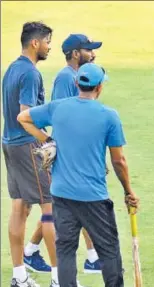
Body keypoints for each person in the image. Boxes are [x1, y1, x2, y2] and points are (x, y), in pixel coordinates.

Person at [17, 63, 139, 287]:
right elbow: (118, 161)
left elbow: (23, 118)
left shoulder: (58, 108)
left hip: (62, 195)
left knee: (65, 250)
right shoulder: (109, 116)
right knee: (109, 250)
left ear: (77, 84)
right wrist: (128, 191)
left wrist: (47, 139)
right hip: (93, 197)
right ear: (99, 87)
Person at [28, 33, 103, 275]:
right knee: (80, 199)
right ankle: (93, 256)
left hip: (75, 148)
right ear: (74, 53)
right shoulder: (65, 78)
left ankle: (29, 250)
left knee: (66, 204)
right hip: (68, 150)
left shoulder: (78, 76)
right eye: (88, 50)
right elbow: (62, 114)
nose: (92, 54)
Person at [2, 21, 58, 287]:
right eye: (47, 41)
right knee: (50, 206)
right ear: (35, 43)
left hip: (10, 143)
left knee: (20, 208)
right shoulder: (31, 73)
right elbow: (24, 114)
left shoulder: (11, 69)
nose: (49, 46)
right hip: (27, 145)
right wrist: (49, 140)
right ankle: (60, 279)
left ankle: (19, 276)